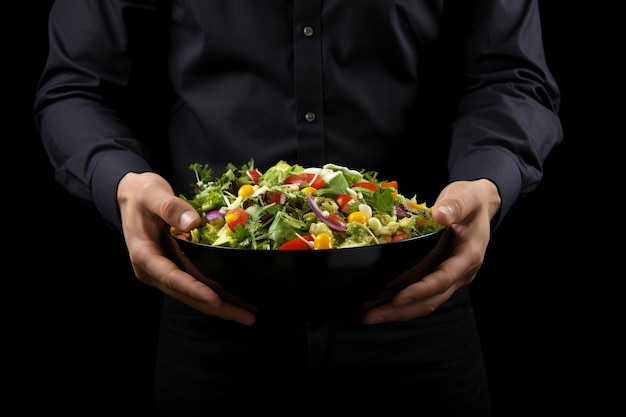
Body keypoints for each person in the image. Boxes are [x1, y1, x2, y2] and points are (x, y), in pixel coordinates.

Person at [34, 1, 562, 415]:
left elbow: (511, 77)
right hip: (213, 317)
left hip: (418, 304)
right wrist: (121, 181)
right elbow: (77, 86)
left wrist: (488, 181)